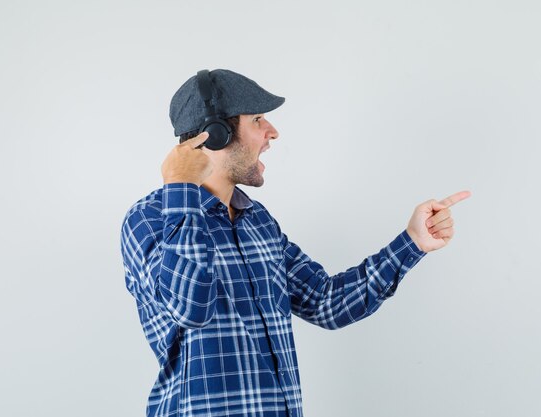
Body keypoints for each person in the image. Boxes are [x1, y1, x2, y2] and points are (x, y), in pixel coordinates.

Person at [120, 69, 471, 417]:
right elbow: (189, 308)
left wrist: (412, 242)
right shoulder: (150, 220)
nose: (272, 132)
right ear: (217, 134)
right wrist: (181, 187)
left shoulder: (257, 221)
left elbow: (327, 303)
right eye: (257, 119)